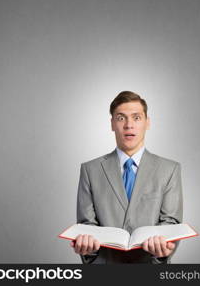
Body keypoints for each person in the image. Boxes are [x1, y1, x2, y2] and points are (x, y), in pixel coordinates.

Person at [70, 91, 183, 263]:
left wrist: (162, 249)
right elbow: (87, 226)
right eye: (121, 118)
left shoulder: (169, 169)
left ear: (147, 122)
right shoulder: (90, 170)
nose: (129, 125)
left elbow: (170, 223)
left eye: (136, 118)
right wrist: (88, 248)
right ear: (112, 124)